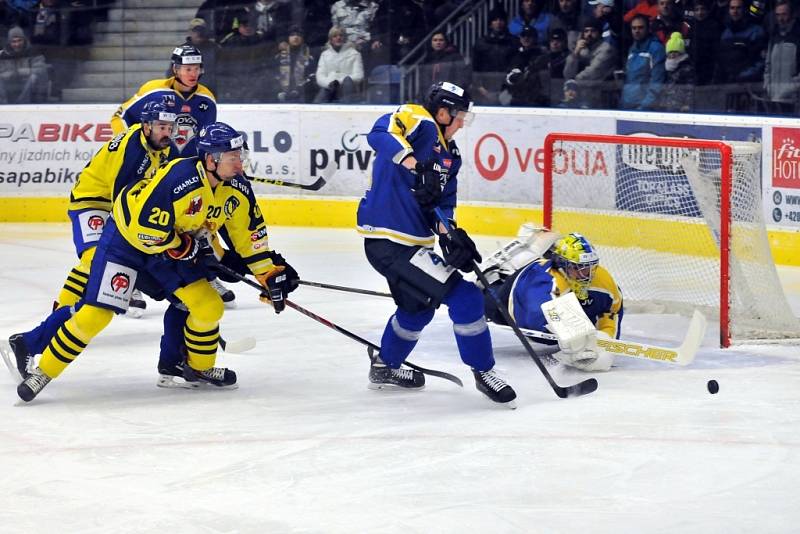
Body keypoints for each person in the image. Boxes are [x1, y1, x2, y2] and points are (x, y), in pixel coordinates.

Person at [15, 123, 299, 402]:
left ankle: (198, 369)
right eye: (233, 158)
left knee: (209, 306)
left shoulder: (237, 190)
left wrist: (269, 274)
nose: (240, 164)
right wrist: (183, 246)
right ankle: (43, 372)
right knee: (95, 315)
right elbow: (144, 229)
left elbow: (249, 240)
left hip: (166, 249)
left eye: (241, 157)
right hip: (126, 243)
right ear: (211, 159)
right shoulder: (180, 178)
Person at [356, 81, 517, 407]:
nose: (461, 124)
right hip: (388, 239)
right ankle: (484, 371)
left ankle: (385, 365)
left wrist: (453, 238)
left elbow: (442, 208)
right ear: (443, 112)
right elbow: (378, 133)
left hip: (412, 244)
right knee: (468, 297)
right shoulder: (420, 120)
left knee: (417, 310)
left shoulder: (451, 156)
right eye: (459, 117)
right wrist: (417, 165)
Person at [4, 101, 176, 379]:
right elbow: (126, 206)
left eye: (169, 126)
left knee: (96, 278)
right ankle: (47, 326)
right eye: (161, 127)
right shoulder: (133, 152)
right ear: (146, 126)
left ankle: (43, 329)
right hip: (92, 204)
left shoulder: (159, 146)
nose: (166, 132)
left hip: (112, 206)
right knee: (96, 261)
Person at [111, 44, 234, 311]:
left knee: (197, 230)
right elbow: (120, 118)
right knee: (146, 230)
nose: (192, 73)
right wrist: (146, 153)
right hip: (154, 176)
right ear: (176, 69)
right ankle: (131, 285)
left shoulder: (206, 100)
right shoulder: (155, 90)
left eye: (196, 68)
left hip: (187, 177)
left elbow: (206, 139)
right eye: (187, 68)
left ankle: (205, 279)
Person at [481, 225, 623, 372]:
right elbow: (534, 319)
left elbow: (613, 311)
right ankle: (495, 270)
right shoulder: (545, 282)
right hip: (510, 297)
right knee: (484, 300)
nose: (585, 275)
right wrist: (577, 338)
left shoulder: (602, 279)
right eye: (577, 268)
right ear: (562, 265)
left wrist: (606, 336)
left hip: (551, 291)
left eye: (589, 267)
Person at [620, 14, 666, 110]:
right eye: (634, 28)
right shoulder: (632, 49)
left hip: (645, 108)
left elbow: (657, 82)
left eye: (640, 28)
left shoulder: (656, 48)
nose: (637, 31)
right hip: (627, 105)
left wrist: (645, 106)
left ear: (648, 29)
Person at [764, 0, 800, 113]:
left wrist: (795, 87)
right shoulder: (774, 38)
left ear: (791, 15)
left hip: (793, 99)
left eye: (784, 14)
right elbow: (768, 65)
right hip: (773, 97)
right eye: (778, 15)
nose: (780, 18)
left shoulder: (797, 38)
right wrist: (767, 86)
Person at [314, 26, 364, 103]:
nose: (338, 38)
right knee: (319, 99)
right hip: (330, 88)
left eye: (341, 35)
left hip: (348, 89)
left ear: (344, 38)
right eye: (335, 36)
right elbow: (320, 76)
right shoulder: (324, 55)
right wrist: (330, 84)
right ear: (330, 39)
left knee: (347, 81)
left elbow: (359, 76)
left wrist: (339, 83)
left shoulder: (354, 54)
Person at [0, 25, 48, 104]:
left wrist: (22, 71)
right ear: (9, 42)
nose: (17, 44)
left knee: (34, 77)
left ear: (24, 40)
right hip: (8, 88)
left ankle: (22, 105)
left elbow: (41, 69)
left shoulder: (33, 53)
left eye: (19, 40)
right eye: (14, 41)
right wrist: (6, 75)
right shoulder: (2, 56)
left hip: (28, 89)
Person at [660, 32, 695, 112]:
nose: (672, 55)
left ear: (681, 53)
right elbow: (664, 87)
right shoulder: (666, 68)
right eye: (670, 52)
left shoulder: (686, 68)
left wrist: (687, 104)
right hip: (668, 105)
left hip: (681, 107)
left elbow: (690, 88)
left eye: (675, 52)